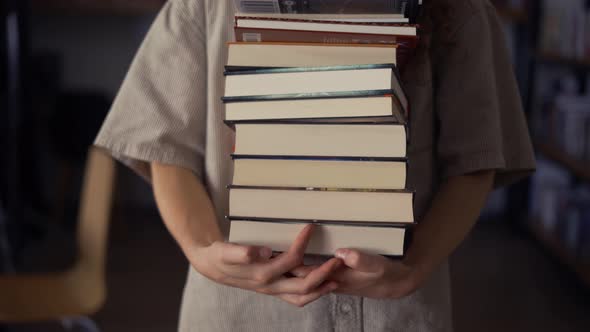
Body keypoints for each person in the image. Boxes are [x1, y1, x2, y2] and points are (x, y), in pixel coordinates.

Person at [94, 0, 536, 331]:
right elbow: (163, 147)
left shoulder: (459, 10)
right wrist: (202, 250)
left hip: (397, 312)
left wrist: (415, 269)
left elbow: (476, 158)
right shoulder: (206, 5)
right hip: (239, 312)